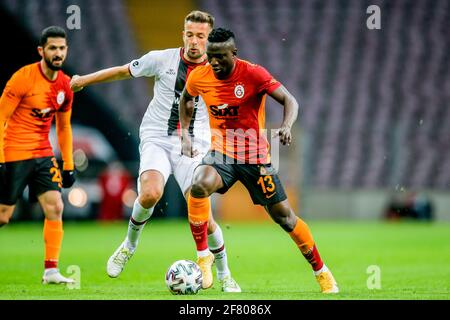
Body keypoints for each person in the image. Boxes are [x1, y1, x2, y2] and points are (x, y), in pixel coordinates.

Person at [70, 11, 240, 292]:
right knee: (150, 193)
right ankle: (128, 245)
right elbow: (123, 71)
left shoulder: (218, 70)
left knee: (204, 218)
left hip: (194, 143)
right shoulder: (161, 59)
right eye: (189, 34)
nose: (194, 41)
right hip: (157, 137)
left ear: (209, 39)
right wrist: (84, 80)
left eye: (200, 36)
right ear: (182, 34)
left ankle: (225, 275)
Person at [180, 28, 339, 293]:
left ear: (234, 54)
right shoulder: (200, 76)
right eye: (211, 57)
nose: (214, 63)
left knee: (285, 218)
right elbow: (186, 99)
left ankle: (321, 271)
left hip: (255, 158)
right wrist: (185, 135)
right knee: (199, 184)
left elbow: (290, 100)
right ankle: (203, 256)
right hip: (221, 154)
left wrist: (286, 126)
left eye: (220, 57)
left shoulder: (253, 73)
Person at [0, 26, 76, 284]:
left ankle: (51, 271)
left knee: (56, 206)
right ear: (41, 51)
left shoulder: (65, 84)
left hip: (42, 153)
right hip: (14, 152)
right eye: (53, 48)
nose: (58, 53)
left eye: (62, 48)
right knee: (3, 216)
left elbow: (64, 127)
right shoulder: (23, 78)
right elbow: (1, 117)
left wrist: (68, 164)